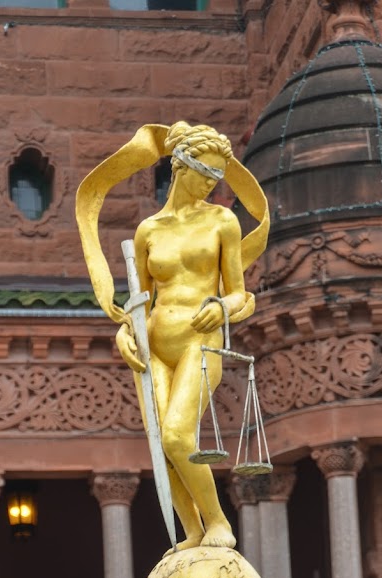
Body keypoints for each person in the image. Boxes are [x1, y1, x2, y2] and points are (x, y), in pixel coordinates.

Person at [76, 121, 269, 552]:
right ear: (181, 165)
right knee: (163, 451)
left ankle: (218, 523)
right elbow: (139, 301)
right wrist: (125, 334)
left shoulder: (222, 222)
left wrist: (221, 306)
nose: (213, 184)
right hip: (154, 345)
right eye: (206, 173)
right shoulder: (149, 231)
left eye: (219, 176)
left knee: (179, 436)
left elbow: (239, 293)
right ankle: (194, 532)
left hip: (200, 343)